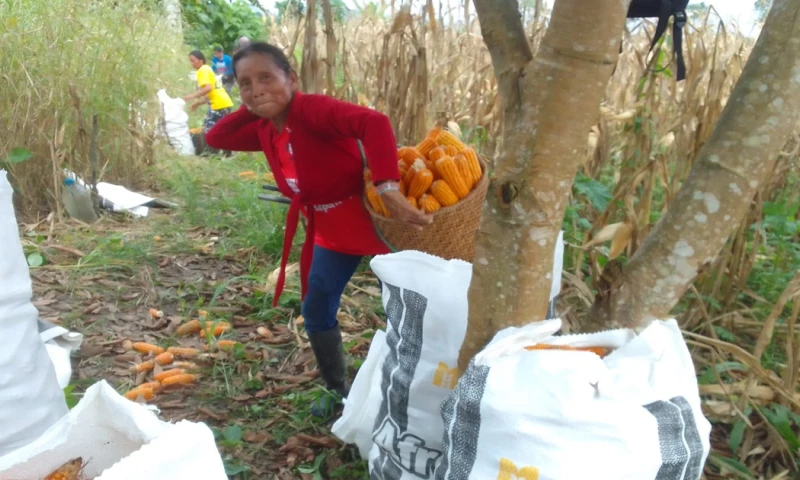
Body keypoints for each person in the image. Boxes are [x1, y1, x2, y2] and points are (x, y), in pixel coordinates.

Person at [205, 42, 432, 417]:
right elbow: (216, 138)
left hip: (377, 227)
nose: (256, 88)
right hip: (331, 232)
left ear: (292, 78)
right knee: (316, 306)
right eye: (245, 83)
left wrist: (387, 186)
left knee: (401, 313)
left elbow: (373, 123)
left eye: (266, 78)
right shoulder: (265, 128)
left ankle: (408, 391)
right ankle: (338, 390)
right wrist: (256, 106)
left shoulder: (311, 110)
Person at [184, 50, 234, 136]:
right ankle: (224, 149)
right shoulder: (207, 68)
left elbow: (208, 88)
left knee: (208, 131)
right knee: (223, 132)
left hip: (218, 105)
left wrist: (192, 96)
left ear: (201, 60)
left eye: (193, 60)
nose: (191, 63)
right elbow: (211, 93)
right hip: (225, 103)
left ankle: (210, 149)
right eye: (190, 61)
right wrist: (198, 103)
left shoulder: (201, 71)